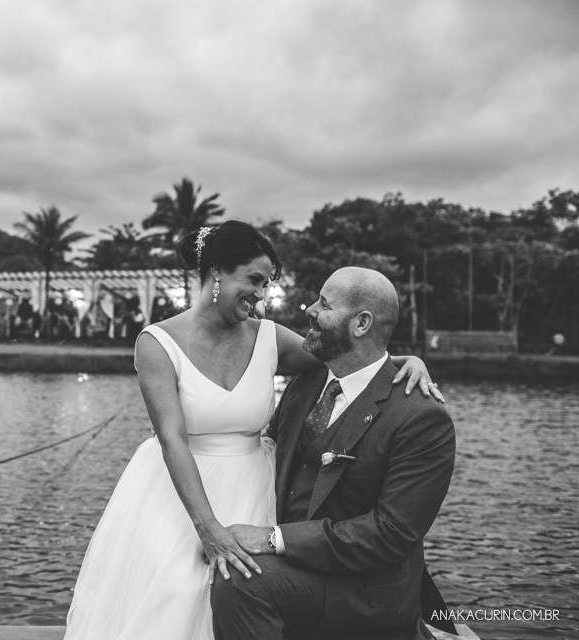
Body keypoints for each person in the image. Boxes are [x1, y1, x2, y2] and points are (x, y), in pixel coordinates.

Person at [63, 222, 441, 640]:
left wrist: (409, 361)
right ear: (219, 272)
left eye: (267, 284)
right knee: (177, 586)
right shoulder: (156, 343)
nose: (262, 295)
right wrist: (208, 529)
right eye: (255, 280)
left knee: (241, 580)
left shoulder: (270, 338)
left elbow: (350, 354)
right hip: (178, 486)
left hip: (253, 489)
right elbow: (171, 438)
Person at [210, 267, 457, 640]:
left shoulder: (422, 418)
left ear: (360, 324)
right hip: (295, 570)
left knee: (240, 581)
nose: (309, 309)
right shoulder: (306, 384)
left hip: (362, 590)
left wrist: (274, 540)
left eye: (324, 305)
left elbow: (389, 536)